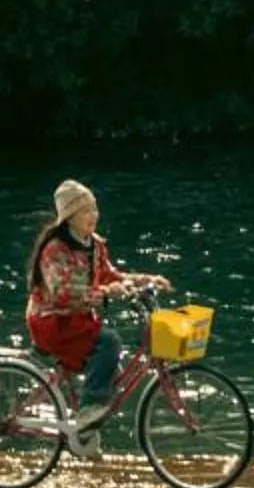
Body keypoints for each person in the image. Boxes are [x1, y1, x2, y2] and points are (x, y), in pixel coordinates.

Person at [25, 179, 165, 457]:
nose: (94, 216)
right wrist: (103, 292)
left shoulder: (96, 245)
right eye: (86, 211)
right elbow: (62, 293)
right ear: (70, 217)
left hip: (77, 320)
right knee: (109, 342)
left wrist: (145, 280)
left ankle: (85, 435)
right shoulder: (55, 249)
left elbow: (111, 275)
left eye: (95, 209)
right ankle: (88, 412)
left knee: (111, 363)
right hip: (51, 321)